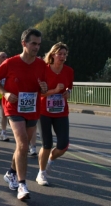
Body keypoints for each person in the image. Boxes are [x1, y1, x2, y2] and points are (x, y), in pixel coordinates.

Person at [0, 28, 47, 200]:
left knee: (21, 146)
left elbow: (43, 88)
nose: (36, 47)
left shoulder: (41, 65)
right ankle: (22, 185)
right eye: (33, 44)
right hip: (13, 107)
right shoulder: (10, 62)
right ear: (24, 43)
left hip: (32, 108)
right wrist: (5, 93)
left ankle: (11, 172)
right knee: (23, 143)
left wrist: (44, 89)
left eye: (38, 44)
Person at [36, 42, 73, 186]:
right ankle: (41, 173)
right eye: (60, 54)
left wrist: (67, 93)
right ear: (53, 54)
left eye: (65, 54)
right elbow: (39, 92)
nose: (63, 57)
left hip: (61, 111)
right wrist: (54, 91)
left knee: (63, 145)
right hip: (44, 111)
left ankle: (50, 160)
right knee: (47, 144)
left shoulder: (69, 71)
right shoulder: (44, 70)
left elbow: (69, 87)